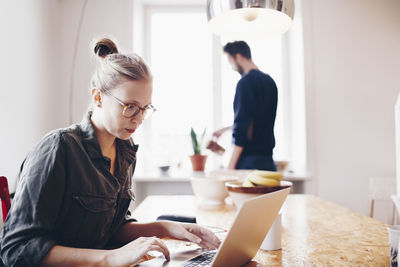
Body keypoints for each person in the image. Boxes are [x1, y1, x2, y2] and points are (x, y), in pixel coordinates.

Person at [0, 38, 220, 267]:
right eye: (130, 106)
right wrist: (111, 258)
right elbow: (17, 250)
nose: (138, 118)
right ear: (98, 98)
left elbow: (110, 229)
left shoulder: (124, 150)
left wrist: (165, 228)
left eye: (145, 108)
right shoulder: (58, 149)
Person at [213, 41, 278, 171]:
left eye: (230, 62)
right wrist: (225, 129)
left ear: (239, 57)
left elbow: (242, 128)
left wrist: (230, 167)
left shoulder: (245, 83)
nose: (232, 67)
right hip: (268, 162)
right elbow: (255, 121)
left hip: (249, 164)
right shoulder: (270, 82)